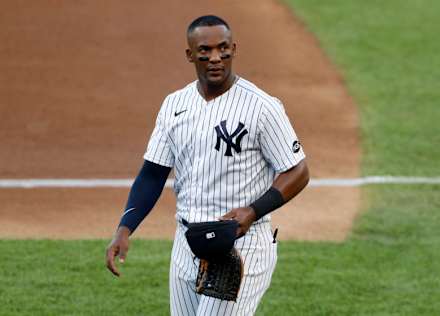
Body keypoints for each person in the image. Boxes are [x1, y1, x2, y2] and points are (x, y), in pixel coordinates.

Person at [105, 15, 309, 315]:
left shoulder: (262, 107)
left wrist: (252, 212)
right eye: (205, 50)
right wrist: (124, 229)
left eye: (223, 49)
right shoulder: (174, 105)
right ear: (190, 54)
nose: (215, 57)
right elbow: (152, 174)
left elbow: (298, 171)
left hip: (241, 245)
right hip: (186, 243)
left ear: (234, 49)